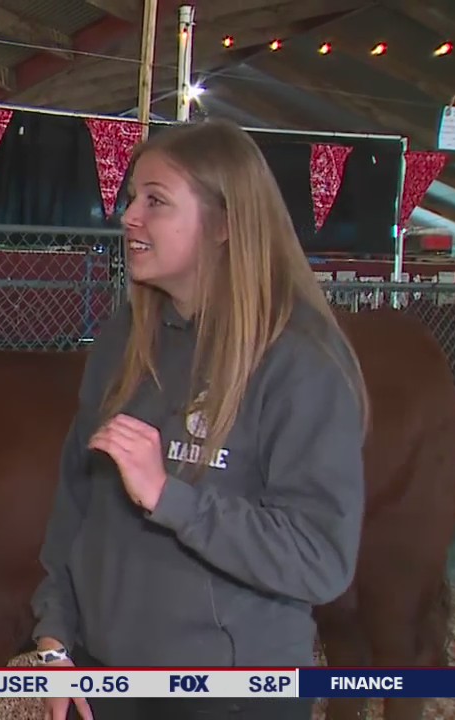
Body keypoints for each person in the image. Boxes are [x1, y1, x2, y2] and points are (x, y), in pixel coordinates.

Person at [31, 119, 367, 720]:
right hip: (106, 684)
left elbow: (320, 559)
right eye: (132, 197)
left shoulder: (299, 360)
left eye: (155, 201)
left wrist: (169, 495)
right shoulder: (124, 341)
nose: (129, 216)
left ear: (226, 223)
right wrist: (55, 644)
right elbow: (75, 506)